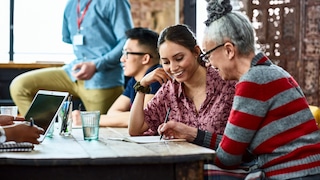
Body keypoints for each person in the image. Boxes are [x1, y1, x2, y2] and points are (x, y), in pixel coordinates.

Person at [159, 0, 320, 179]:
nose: (209, 63)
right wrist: (192, 134)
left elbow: (228, 158)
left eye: (207, 54)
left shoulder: (253, 81)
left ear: (228, 50)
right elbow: (239, 148)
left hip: (295, 175)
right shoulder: (270, 72)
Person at [9, 0, 134, 116]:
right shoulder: (71, 4)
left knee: (99, 131)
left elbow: (126, 41)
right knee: (20, 86)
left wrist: (96, 65)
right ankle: (40, 131)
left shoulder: (114, 2)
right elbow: (68, 38)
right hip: (73, 72)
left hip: (103, 79)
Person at [128, 24, 236, 138]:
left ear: (196, 51)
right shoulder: (170, 90)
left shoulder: (226, 84)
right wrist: (142, 85)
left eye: (179, 58)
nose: (173, 68)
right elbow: (135, 130)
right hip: (181, 155)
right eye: (166, 62)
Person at [72, 27, 162, 127]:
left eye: (127, 53)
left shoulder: (155, 78)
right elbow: (112, 112)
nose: (122, 59)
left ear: (145, 58)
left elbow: (143, 119)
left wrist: (89, 120)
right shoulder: (135, 80)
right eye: (123, 53)